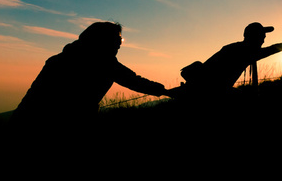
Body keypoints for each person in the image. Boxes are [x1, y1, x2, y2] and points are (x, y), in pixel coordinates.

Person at [9, 22, 174, 133]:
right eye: (117, 40)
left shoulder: (59, 58)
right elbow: (134, 81)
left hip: (24, 120)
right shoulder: (102, 62)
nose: (119, 44)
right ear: (101, 40)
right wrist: (165, 91)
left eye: (120, 40)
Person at [178, 22, 282, 98]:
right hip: (213, 94)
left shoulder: (232, 48)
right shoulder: (244, 51)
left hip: (211, 91)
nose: (263, 40)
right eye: (261, 37)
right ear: (252, 37)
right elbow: (271, 50)